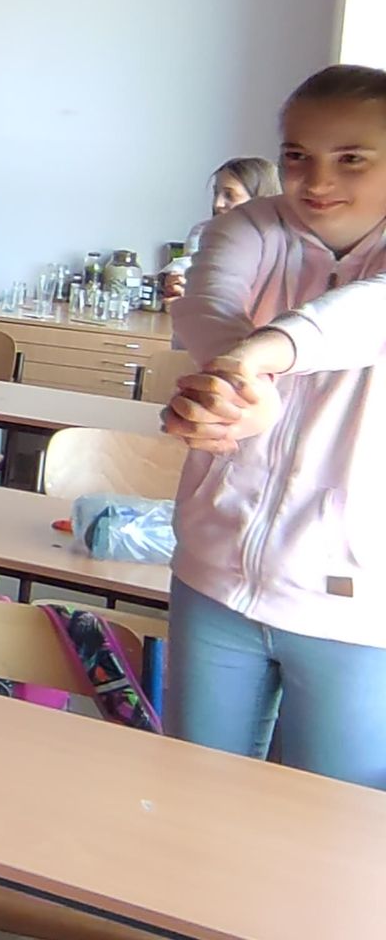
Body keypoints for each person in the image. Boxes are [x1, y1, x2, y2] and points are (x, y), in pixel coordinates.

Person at [161, 65, 386, 788]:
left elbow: (364, 316)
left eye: (352, 158)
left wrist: (259, 361)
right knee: (197, 793)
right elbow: (207, 305)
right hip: (215, 578)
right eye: (297, 155)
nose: (316, 180)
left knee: (331, 820)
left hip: (357, 610)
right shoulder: (250, 226)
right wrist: (236, 384)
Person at [158, 156, 282, 301]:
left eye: (229, 195)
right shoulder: (202, 231)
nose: (218, 203)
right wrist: (171, 278)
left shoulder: (281, 245)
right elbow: (191, 264)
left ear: (260, 201)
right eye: (216, 193)